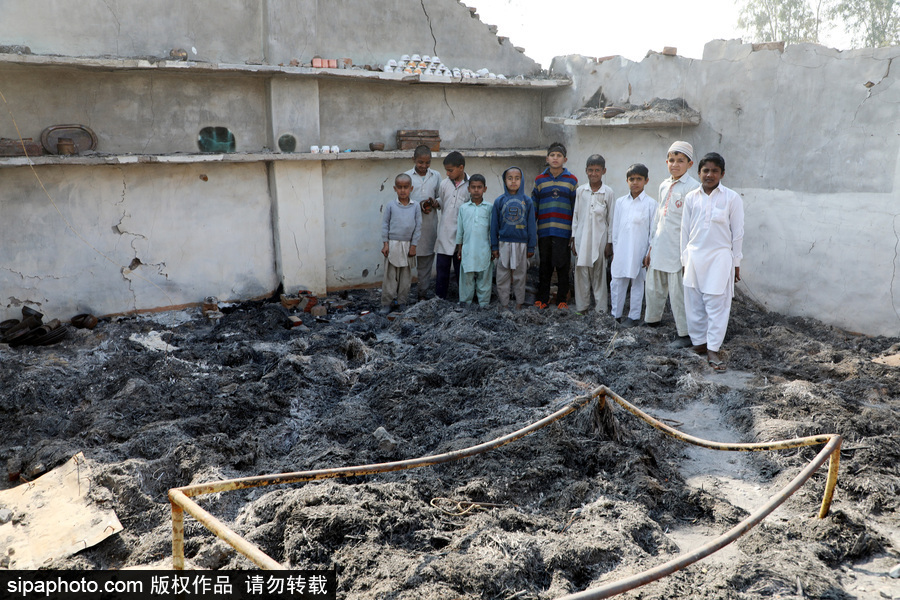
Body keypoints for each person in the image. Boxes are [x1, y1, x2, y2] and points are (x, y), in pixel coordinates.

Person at [681, 152, 744, 372]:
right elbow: (685, 232)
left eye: (714, 171)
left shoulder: (731, 198)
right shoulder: (691, 198)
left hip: (719, 257)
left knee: (717, 304)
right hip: (695, 256)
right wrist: (684, 259)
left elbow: (737, 233)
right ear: (698, 173)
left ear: (722, 174)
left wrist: (736, 263)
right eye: (705, 170)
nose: (709, 175)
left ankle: (713, 349)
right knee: (694, 302)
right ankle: (699, 344)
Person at [643, 141, 700, 347]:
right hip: (660, 244)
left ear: (689, 163)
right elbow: (659, 217)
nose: (675, 164)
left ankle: (685, 334)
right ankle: (652, 321)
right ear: (667, 162)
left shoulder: (693, 188)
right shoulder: (664, 185)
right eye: (672, 160)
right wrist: (651, 246)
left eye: (680, 161)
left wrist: (688, 254)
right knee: (653, 287)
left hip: (678, 249)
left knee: (678, 293)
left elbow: (692, 224)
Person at [532, 142, 578, 309]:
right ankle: (542, 299)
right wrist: (532, 232)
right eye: (552, 155)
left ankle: (562, 300)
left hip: (564, 232)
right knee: (545, 266)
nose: (555, 158)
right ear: (547, 158)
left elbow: (576, 209)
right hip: (544, 231)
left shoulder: (572, 181)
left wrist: (574, 233)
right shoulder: (539, 180)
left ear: (564, 159)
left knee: (562, 266)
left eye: (559, 156)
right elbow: (534, 208)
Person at [610, 164, 656, 326]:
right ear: (627, 181)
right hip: (622, 249)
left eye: (639, 179)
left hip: (639, 250)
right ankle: (615, 314)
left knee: (637, 282)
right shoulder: (621, 202)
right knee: (617, 281)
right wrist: (615, 250)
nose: (635, 182)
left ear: (646, 181)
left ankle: (633, 316)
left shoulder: (651, 204)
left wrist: (649, 252)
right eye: (631, 179)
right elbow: (615, 228)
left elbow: (653, 231)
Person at [571, 154, 614, 314]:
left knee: (599, 274)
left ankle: (601, 309)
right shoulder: (581, 191)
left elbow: (611, 219)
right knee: (581, 272)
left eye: (597, 170)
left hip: (600, 240)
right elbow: (575, 216)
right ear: (586, 171)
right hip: (582, 238)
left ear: (604, 171)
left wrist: (609, 242)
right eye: (590, 170)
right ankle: (581, 308)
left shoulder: (608, 192)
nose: (593, 173)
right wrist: (574, 237)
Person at [490, 166, 536, 310]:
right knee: (502, 276)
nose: (513, 181)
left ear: (521, 180)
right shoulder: (499, 201)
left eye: (517, 178)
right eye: (510, 178)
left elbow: (531, 226)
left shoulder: (527, 201)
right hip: (504, 243)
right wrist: (495, 246)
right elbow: (494, 226)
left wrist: (531, 246)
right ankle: (504, 304)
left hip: (521, 244)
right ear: (505, 180)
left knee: (520, 276)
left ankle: (518, 304)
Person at [380, 173, 421, 313]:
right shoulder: (391, 206)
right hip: (393, 245)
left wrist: (414, 246)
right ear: (394, 188)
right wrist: (385, 244)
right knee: (390, 276)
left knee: (405, 277)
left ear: (411, 188)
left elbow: (418, 227)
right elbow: (385, 224)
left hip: (408, 246)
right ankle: (387, 303)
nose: (403, 190)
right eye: (399, 187)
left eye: (406, 187)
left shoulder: (415, 206)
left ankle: (402, 302)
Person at [405, 145, 442, 301]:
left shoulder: (436, 176)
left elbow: (442, 197)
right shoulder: (406, 176)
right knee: (405, 263)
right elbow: (402, 201)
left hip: (428, 227)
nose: (424, 166)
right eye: (421, 162)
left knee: (425, 263)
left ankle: (422, 295)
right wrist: (418, 205)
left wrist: (435, 202)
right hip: (409, 228)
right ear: (414, 159)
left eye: (428, 163)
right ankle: (403, 296)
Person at [435, 151, 469, 300]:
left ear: (460, 168)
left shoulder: (471, 184)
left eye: (450, 170)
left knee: (461, 270)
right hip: (445, 233)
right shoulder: (444, 184)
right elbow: (444, 202)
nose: (448, 174)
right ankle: (439, 299)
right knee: (442, 270)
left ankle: (463, 299)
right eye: (446, 171)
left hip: (462, 237)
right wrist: (435, 203)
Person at [455, 175, 493, 307]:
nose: (476, 190)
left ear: (485, 189)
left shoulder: (489, 208)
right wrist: (459, 248)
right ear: (468, 189)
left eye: (479, 187)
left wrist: (494, 248)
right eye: (473, 187)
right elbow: (460, 230)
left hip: (484, 249)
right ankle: (465, 303)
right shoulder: (464, 208)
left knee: (485, 279)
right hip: (468, 249)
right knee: (467, 278)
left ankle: (484, 304)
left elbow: (492, 231)